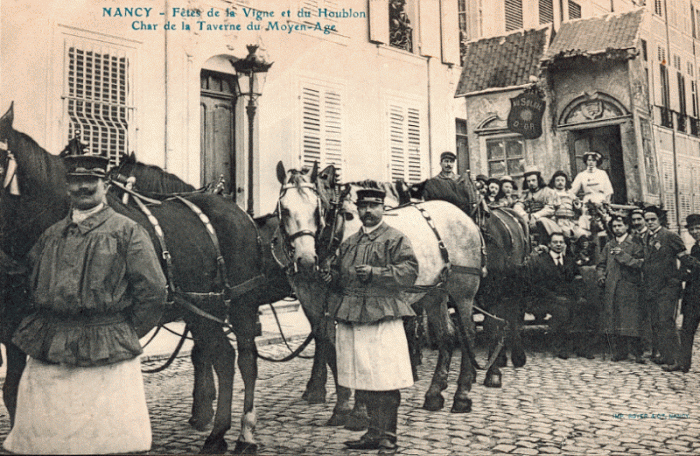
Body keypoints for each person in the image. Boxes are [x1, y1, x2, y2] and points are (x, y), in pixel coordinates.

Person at [4, 153, 167, 454]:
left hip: (107, 359)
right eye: (76, 181)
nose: (83, 187)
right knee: (46, 438)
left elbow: (154, 292)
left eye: (91, 181)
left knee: (104, 441)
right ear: (67, 187)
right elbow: (29, 284)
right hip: (50, 351)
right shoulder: (51, 236)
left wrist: (123, 332)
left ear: (105, 185)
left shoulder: (128, 232)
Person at [326, 188, 418, 454]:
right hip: (352, 315)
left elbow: (410, 271)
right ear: (357, 209)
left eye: (373, 206)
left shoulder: (395, 238)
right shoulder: (349, 243)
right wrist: (330, 277)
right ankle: (372, 433)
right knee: (364, 376)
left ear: (383, 208)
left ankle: (388, 437)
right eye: (363, 206)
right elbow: (340, 277)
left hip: (382, 315)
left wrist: (376, 273)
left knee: (385, 378)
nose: (367, 211)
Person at [521, 231, 593, 359]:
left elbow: (578, 281)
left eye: (561, 242)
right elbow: (537, 286)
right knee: (562, 310)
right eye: (555, 242)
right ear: (549, 244)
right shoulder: (540, 261)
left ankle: (581, 347)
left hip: (567, 298)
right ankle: (560, 347)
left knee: (583, 306)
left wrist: (579, 296)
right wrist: (555, 298)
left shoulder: (569, 261)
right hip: (544, 299)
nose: (558, 245)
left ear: (565, 244)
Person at [640, 205, 687, 369]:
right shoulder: (646, 236)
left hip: (668, 288)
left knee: (667, 322)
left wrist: (677, 279)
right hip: (652, 287)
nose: (650, 222)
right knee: (657, 323)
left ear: (660, 219)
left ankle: (675, 359)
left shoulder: (670, 236)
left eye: (653, 219)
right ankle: (665, 355)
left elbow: (685, 260)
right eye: (647, 220)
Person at [597, 215, 645, 363]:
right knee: (615, 319)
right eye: (614, 226)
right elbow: (601, 264)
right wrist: (601, 276)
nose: (617, 228)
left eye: (620, 225)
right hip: (612, 287)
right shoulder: (609, 245)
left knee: (631, 319)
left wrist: (623, 256)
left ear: (626, 227)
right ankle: (620, 352)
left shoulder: (635, 243)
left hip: (629, 286)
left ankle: (637, 353)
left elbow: (640, 263)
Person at [666, 214, 700, 372]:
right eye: (692, 229)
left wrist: (686, 260)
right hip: (693, 296)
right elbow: (692, 271)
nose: (695, 231)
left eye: (698, 228)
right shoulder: (694, 247)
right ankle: (683, 363)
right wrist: (677, 277)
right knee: (686, 331)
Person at [513, 166, 560, 240]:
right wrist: (524, 214)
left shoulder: (548, 191)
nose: (531, 183)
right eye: (528, 181)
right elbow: (518, 205)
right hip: (530, 219)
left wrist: (536, 215)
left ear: (538, 180)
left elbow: (550, 208)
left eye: (533, 180)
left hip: (547, 219)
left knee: (540, 222)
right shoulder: (526, 194)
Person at [548, 170, 588, 240]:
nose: (560, 182)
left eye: (562, 180)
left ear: (566, 182)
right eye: (557, 180)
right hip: (558, 220)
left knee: (582, 234)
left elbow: (577, 204)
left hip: (570, 220)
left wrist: (577, 203)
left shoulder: (569, 193)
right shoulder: (551, 193)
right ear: (553, 182)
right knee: (566, 234)